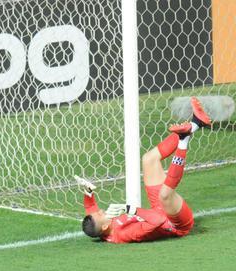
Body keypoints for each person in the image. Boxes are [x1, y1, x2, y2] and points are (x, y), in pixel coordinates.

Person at [81, 98, 211, 244]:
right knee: (165, 195)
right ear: (105, 227)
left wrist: (88, 193)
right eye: (100, 214)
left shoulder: (99, 223)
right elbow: (159, 220)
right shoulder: (125, 234)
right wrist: (128, 209)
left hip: (158, 209)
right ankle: (183, 139)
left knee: (149, 159)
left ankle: (196, 123)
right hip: (175, 223)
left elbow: (90, 208)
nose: (101, 210)